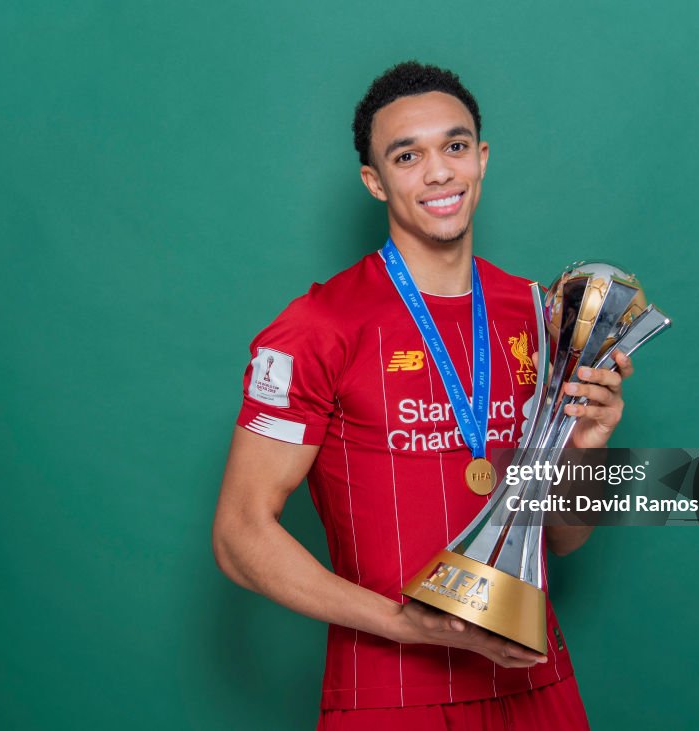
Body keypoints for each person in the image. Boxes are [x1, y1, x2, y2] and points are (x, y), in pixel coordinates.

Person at [213, 61, 634, 730]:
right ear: (374, 181)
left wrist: (585, 444)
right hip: (390, 688)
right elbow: (239, 536)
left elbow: (566, 537)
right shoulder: (318, 328)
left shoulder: (538, 312)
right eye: (408, 156)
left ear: (482, 158)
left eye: (455, 146)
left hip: (535, 681)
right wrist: (406, 625)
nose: (438, 172)